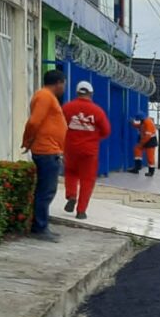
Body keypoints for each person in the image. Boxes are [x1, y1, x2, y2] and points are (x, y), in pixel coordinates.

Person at [22, 69, 68, 242]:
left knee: (47, 190)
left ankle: (42, 225)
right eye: (63, 83)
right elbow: (34, 121)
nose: (64, 87)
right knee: (45, 191)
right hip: (46, 151)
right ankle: (40, 227)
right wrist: (27, 140)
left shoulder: (46, 97)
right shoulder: (45, 96)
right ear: (58, 83)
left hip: (51, 150)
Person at [60, 81, 111, 220]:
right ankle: (81, 211)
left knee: (70, 172)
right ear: (91, 94)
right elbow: (106, 131)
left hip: (70, 148)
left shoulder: (67, 108)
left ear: (77, 93)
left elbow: (59, 125)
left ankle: (71, 195)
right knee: (87, 180)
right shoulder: (97, 111)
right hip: (89, 151)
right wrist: (93, 137)